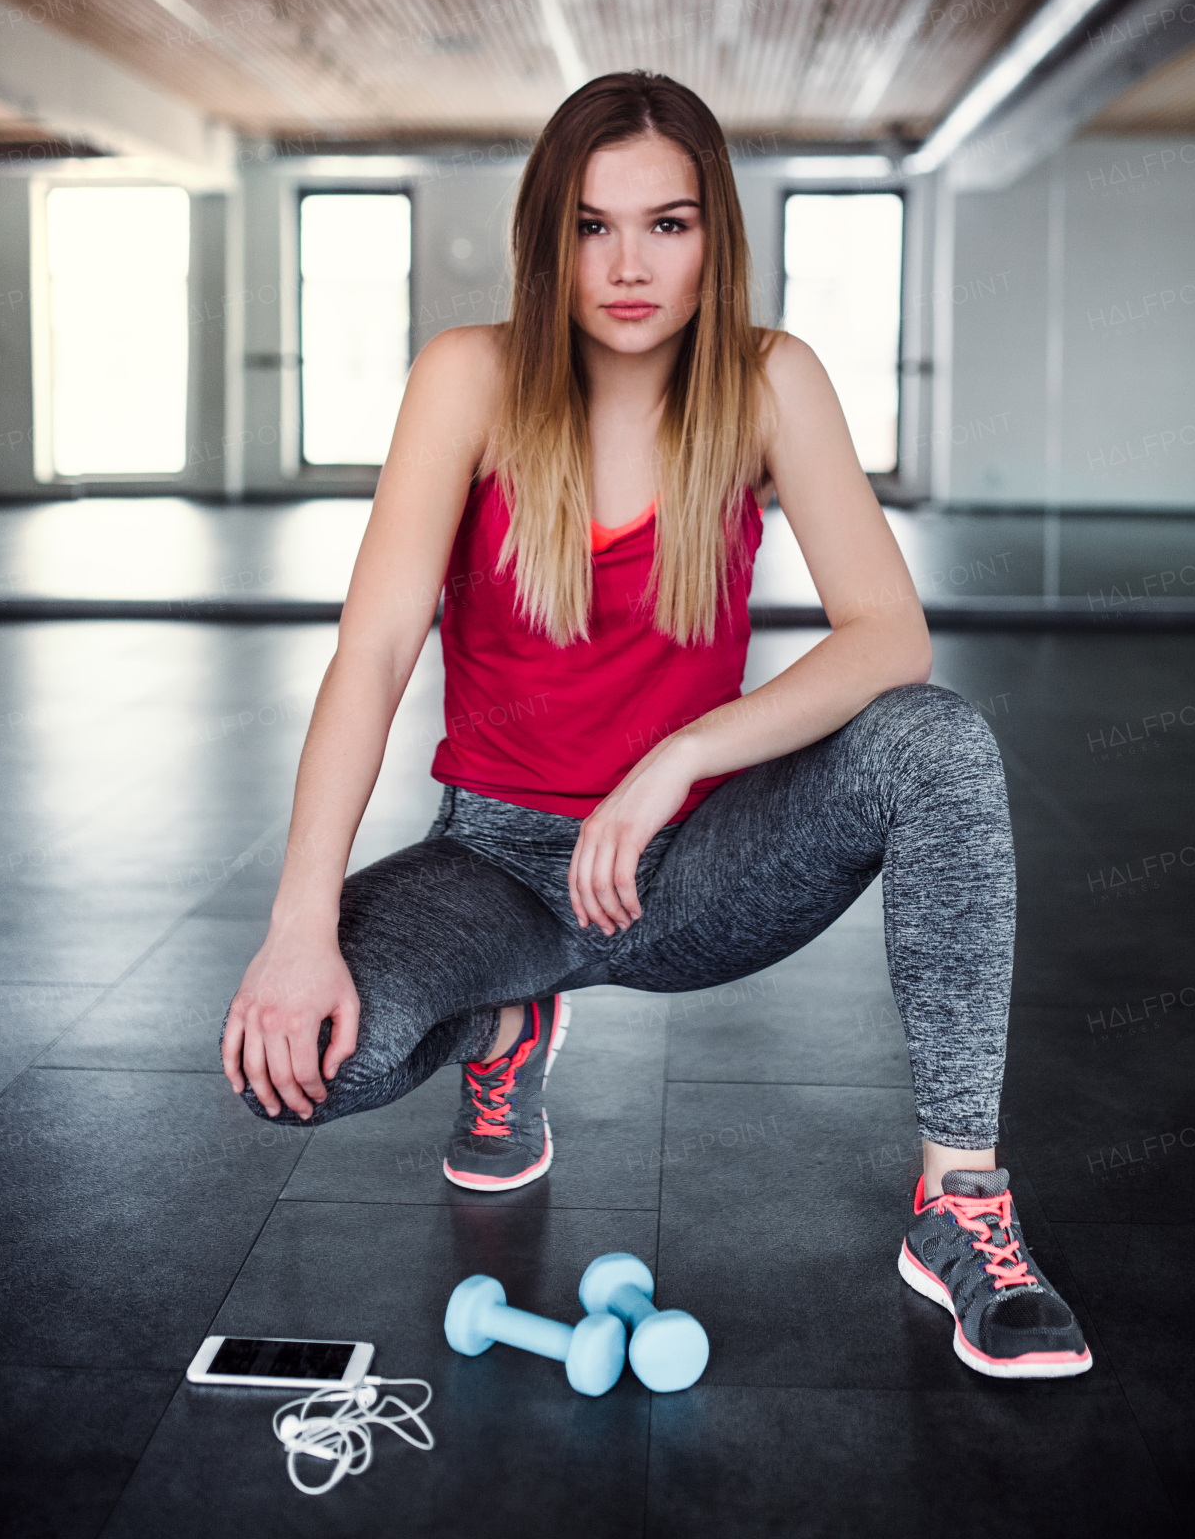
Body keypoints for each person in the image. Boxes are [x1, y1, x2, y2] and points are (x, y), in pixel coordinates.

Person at [222, 71, 1091, 1381]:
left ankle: (959, 1203)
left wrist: (680, 755)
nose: (629, 265)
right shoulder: (469, 377)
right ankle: (511, 1022)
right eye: (592, 226)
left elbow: (888, 637)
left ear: (712, 239)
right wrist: (298, 932)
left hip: (694, 866)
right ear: (548, 238)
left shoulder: (764, 382)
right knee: (302, 1066)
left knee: (939, 740)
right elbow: (377, 648)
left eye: (667, 225)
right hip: (493, 867)